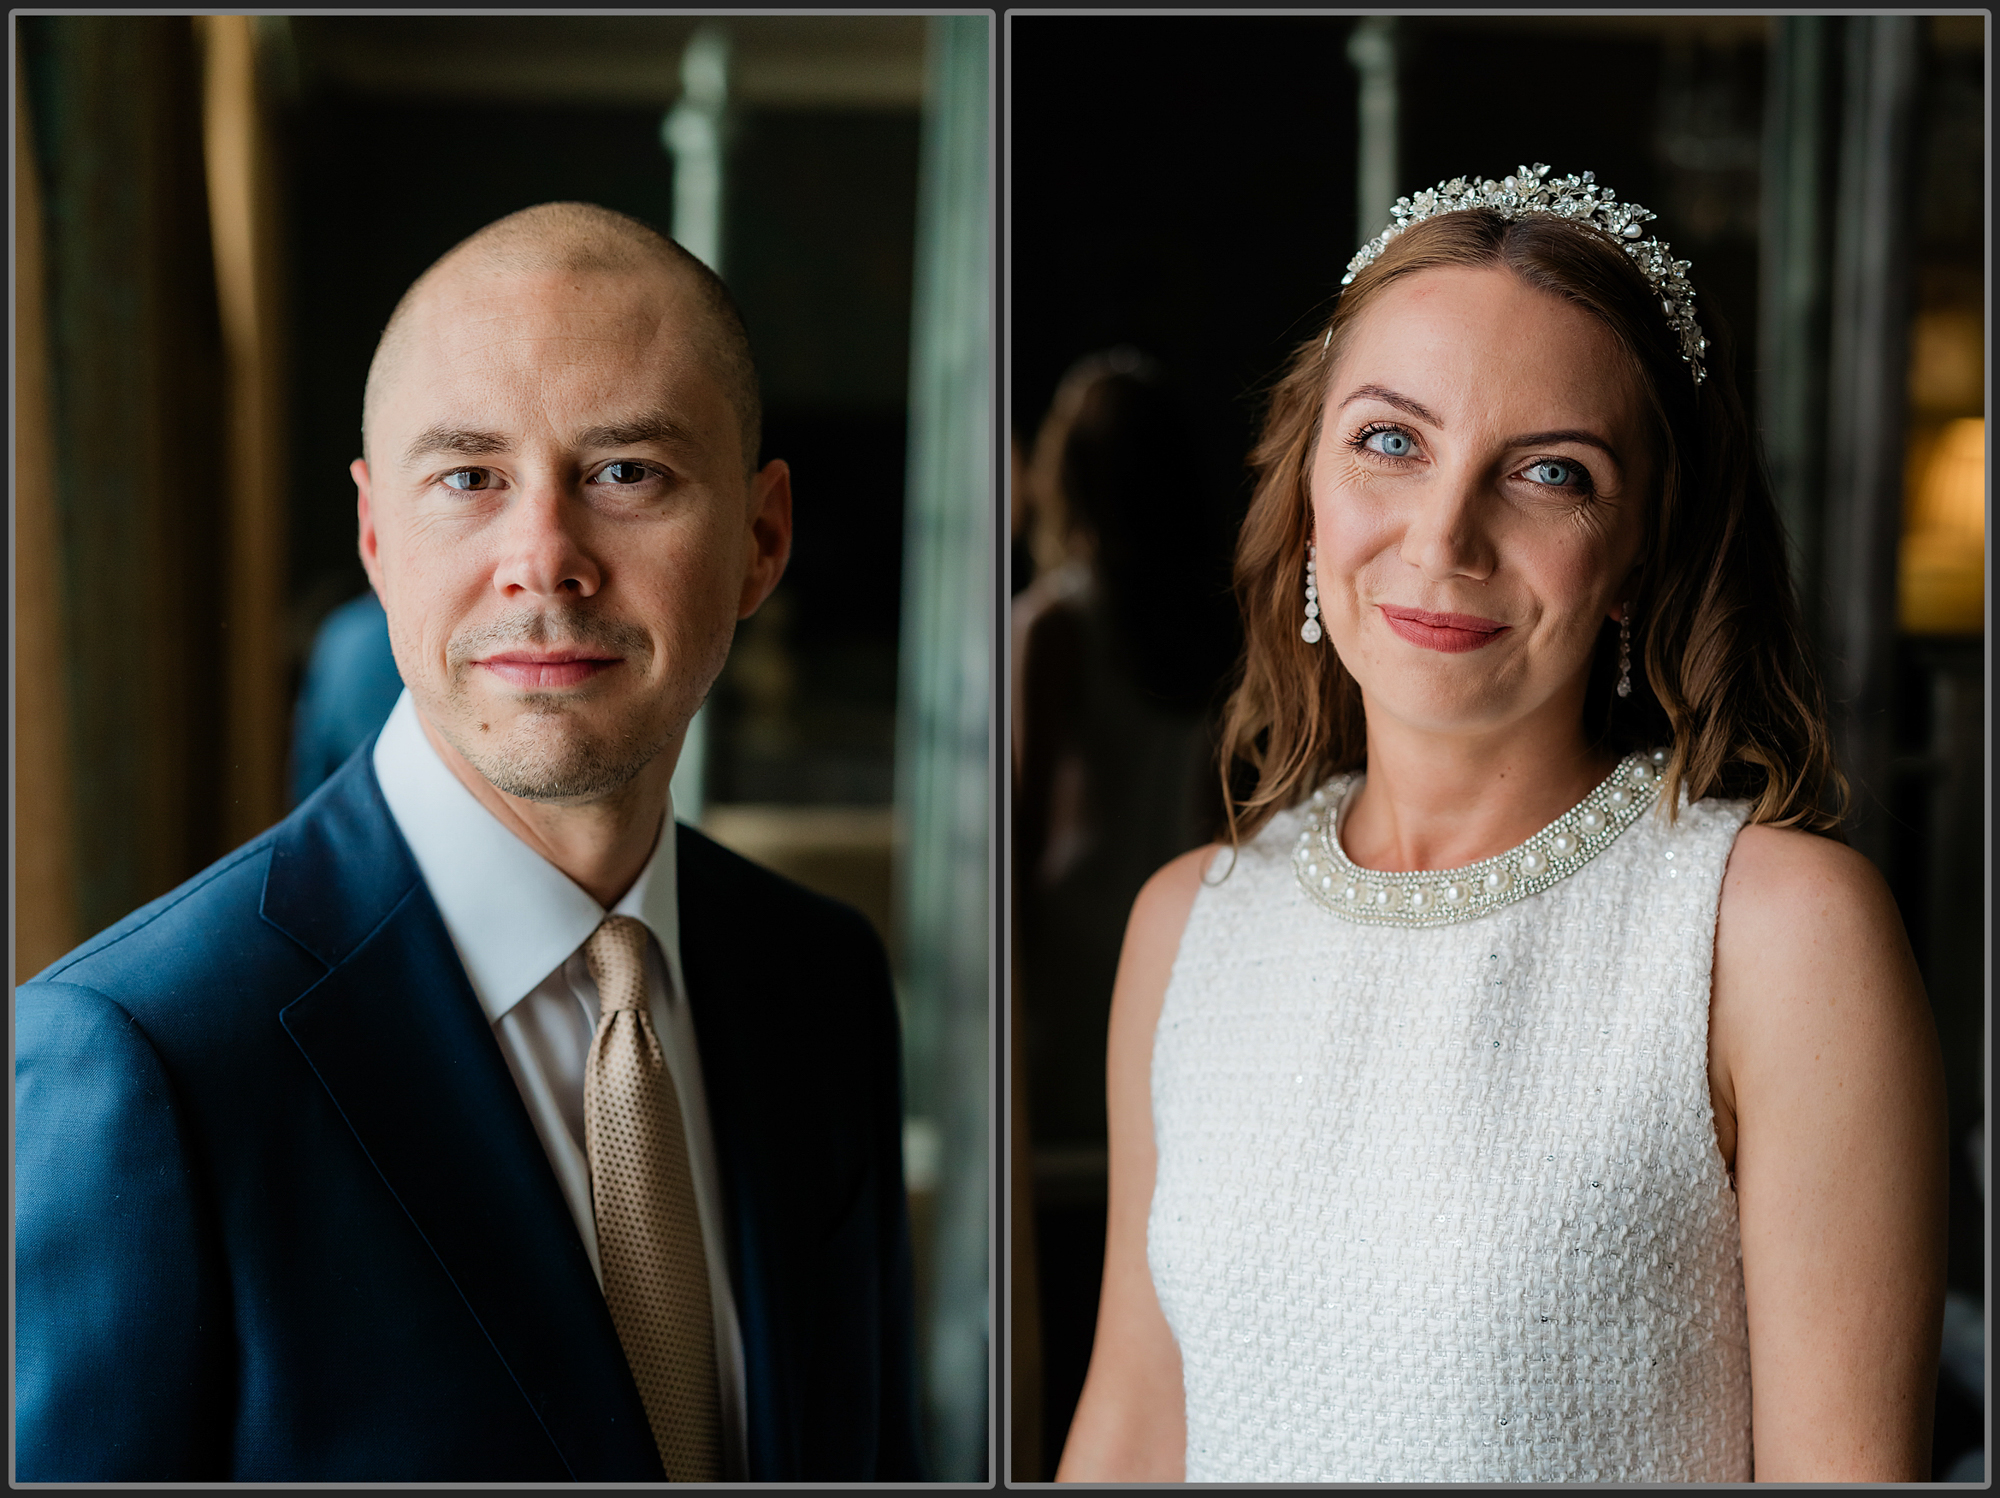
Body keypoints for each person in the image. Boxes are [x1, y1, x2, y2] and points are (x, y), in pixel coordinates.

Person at [1056, 166, 1947, 1483]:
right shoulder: (1189, 920)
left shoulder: (1778, 932)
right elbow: (1133, 1427)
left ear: (1639, 546)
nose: (1444, 535)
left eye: (1548, 470)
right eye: (1392, 440)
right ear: (1310, 485)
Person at [16, 202, 925, 1482]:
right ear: (377, 535)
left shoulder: (822, 982)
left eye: (626, 472)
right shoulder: (141, 1060)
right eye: (468, 478)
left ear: (760, 540)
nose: (543, 559)